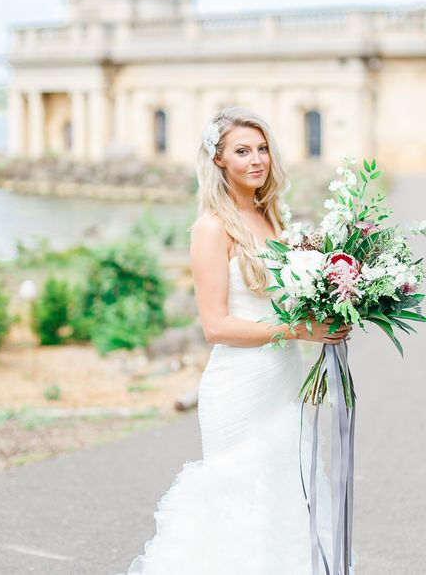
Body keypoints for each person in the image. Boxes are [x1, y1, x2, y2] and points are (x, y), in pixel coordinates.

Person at [124, 106, 355, 574]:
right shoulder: (212, 228)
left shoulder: (273, 219)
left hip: (283, 376)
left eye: (263, 148)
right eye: (242, 151)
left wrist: (338, 302)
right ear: (218, 161)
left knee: (288, 499)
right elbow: (216, 327)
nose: (257, 160)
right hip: (240, 386)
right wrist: (297, 330)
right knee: (240, 507)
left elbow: (283, 302)